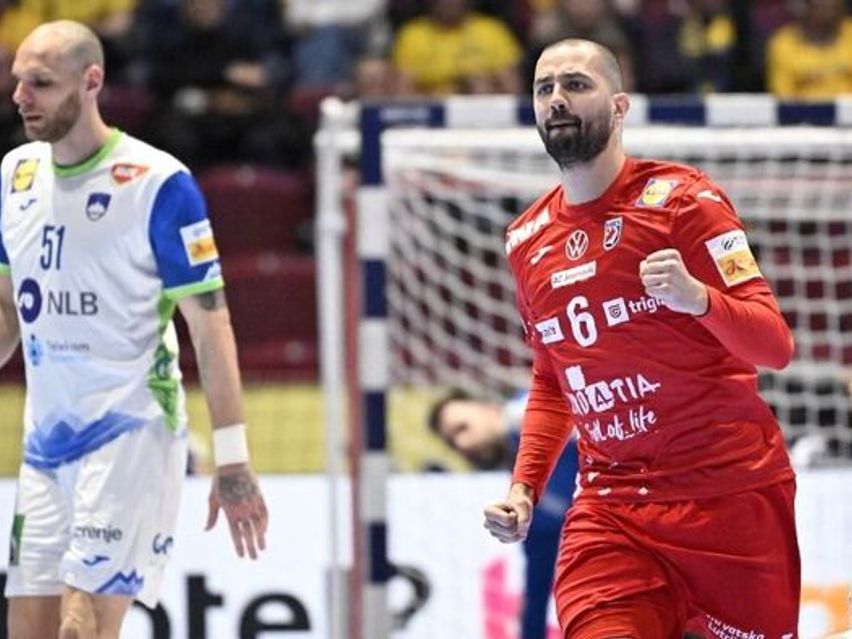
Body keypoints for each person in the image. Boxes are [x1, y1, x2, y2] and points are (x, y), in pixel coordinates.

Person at [483, 38, 800, 638]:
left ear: (620, 106)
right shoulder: (527, 241)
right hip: (611, 509)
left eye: (576, 84)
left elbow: (774, 347)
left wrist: (698, 299)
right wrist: (525, 488)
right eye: (544, 88)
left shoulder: (684, 202)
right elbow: (554, 380)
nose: (557, 99)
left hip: (730, 499)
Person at [0, 20, 268, 639]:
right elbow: (8, 311)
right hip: (45, 443)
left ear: (91, 81)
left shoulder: (157, 183)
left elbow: (211, 326)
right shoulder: (14, 175)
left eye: (41, 83)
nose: (20, 97)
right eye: (17, 81)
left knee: (82, 627)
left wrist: (232, 459)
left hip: (130, 435)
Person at [429, 389, 579, 639]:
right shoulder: (530, 500)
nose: (463, 444)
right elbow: (536, 590)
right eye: (453, 443)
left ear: (489, 409)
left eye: (462, 428)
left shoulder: (527, 412)